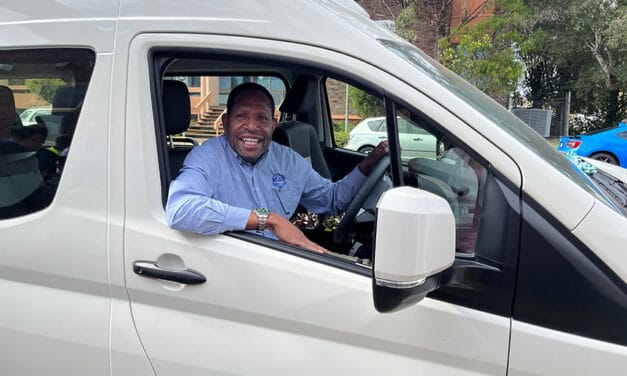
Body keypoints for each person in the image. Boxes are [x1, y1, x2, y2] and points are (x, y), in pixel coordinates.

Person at [166, 82, 388, 253]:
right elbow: (180, 210)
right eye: (241, 116)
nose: (252, 127)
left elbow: (331, 200)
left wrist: (367, 165)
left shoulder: (288, 160)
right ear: (225, 122)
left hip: (281, 259)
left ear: (274, 124)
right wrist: (268, 219)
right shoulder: (206, 157)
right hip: (231, 262)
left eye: (262, 118)